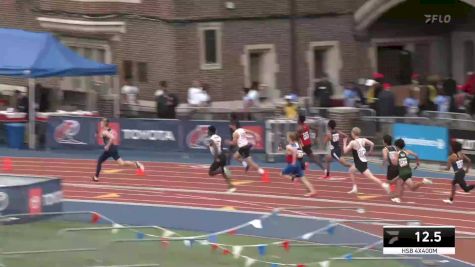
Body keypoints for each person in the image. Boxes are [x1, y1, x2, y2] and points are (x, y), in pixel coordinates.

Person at [93, 118, 144, 182]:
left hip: (111, 149)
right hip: (109, 150)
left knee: (122, 163)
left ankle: (136, 164)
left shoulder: (105, 131)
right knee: (100, 161)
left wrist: (107, 146)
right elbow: (104, 136)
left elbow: (112, 137)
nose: (100, 123)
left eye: (101, 122)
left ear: (104, 123)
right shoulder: (107, 130)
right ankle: (96, 177)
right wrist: (98, 134)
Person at [343, 127, 390, 194]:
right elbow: (372, 144)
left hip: (359, 163)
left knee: (371, 177)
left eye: (351, 133)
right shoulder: (363, 139)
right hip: (363, 162)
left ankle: (384, 185)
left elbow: (345, 151)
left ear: (353, 134)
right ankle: (355, 188)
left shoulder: (352, 142)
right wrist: (370, 151)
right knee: (351, 170)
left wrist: (344, 142)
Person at [281, 132, 316, 197]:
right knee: (303, 178)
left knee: (282, 173)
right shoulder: (298, 144)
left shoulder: (288, 146)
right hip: (299, 163)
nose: (287, 138)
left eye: (287, 137)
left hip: (293, 164)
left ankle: (293, 178)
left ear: (290, 138)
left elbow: (294, 152)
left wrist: (293, 160)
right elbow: (300, 153)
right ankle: (312, 191)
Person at [207, 126, 236, 193]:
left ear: (210, 131)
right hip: (223, 155)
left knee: (211, 172)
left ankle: (221, 170)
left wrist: (216, 157)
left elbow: (215, 148)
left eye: (208, 131)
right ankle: (231, 187)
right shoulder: (219, 137)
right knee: (224, 174)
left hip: (219, 157)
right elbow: (221, 146)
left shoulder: (211, 139)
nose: (207, 132)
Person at [381, 135, 400, 202]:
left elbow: (385, 157)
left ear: (385, 142)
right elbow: (398, 155)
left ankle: (393, 196)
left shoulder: (385, 149)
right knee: (394, 182)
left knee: (388, 183)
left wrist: (383, 164)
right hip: (397, 166)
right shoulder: (395, 147)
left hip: (391, 167)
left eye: (383, 140)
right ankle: (395, 195)